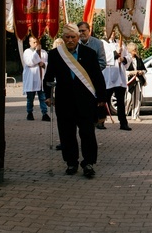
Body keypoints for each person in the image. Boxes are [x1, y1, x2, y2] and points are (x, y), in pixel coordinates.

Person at [44, 23, 107, 177]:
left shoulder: (89, 53)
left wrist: (101, 97)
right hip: (64, 101)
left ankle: (89, 163)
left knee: (87, 133)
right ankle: (71, 163)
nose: (70, 40)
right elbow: (48, 77)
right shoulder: (55, 54)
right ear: (63, 38)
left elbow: (97, 77)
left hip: (85, 101)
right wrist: (47, 96)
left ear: (78, 38)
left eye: (73, 37)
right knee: (67, 134)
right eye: (67, 37)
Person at [102, 36, 132, 130]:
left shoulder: (120, 42)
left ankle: (123, 123)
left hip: (119, 77)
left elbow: (128, 56)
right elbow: (102, 57)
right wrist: (114, 54)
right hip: (108, 75)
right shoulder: (102, 43)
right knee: (104, 99)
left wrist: (123, 59)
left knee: (120, 101)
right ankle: (100, 120)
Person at [22, 36, 50, 122]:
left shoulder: (44, 52)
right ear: (30, 43)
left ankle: (44, 113)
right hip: (31, 79)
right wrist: (38, 58)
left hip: (41, 79)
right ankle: (29, 113)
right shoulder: (27, 52)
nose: (35, 44)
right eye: (33, 42)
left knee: (43, 97)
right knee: (30, 98)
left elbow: (47, 63)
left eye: (36, 42)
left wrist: (43, 63)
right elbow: (29, 62)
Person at [125, 42, 147, 122]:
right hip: (129, 81)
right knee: (128, 98)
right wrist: (131, 73)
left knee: (137, 99)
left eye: (136, 50)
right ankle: (125, 112)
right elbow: (123, 71)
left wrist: (141, 71)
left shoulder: (139, 59)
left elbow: (144, 69)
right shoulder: (126, 59)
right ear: (130, 50)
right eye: (134, 50)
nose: (135, 51)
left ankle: (135, 115)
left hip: (138, 81)